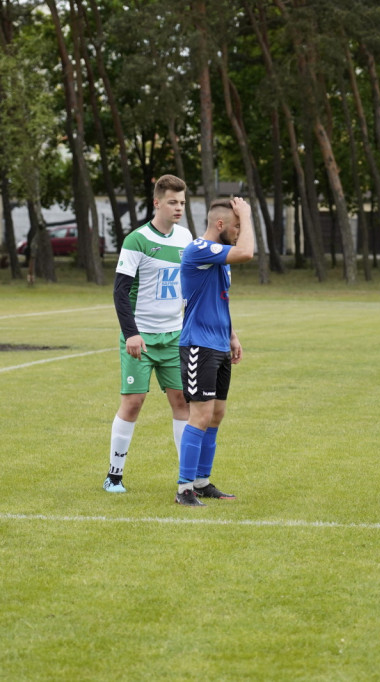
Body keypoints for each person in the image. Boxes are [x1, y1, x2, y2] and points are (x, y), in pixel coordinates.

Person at [103, 174, 193, 493]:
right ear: (157, 203)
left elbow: (190, 286)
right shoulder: (137, 240)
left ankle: (188, 479)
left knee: (182, 401)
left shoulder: (185, 237)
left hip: (175, 337)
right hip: (141, 337)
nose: (179, 208)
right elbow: (120, 292)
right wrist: (131, 333)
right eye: (172, 202)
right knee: (133, 403)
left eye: (182, 202)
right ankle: (114, 475)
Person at [173, 196, 255, 507]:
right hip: (198, 345)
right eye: (235, 227)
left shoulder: (219, 258)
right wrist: (246, 214)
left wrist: (232, 336)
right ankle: (184, 489)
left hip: (219, 344)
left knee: (216, 415)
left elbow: (221, 299)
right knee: (200, 415)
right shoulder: (199, 249)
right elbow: (247, 252)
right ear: (220, 225)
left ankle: (202, 482)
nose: (238, 232)